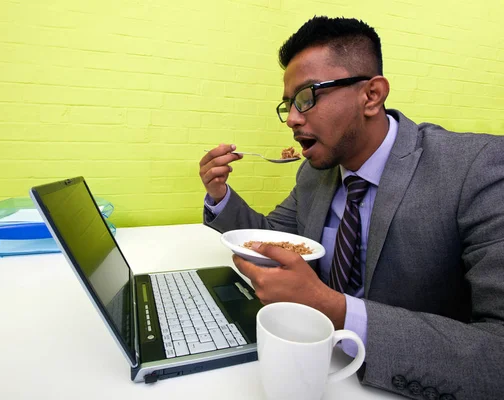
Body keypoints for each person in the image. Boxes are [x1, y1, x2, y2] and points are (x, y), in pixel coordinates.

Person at [198, 16, 504, 400]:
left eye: (307, 96)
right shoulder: (315, 175)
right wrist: (220, 196)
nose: (292, 118)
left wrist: (334, 308)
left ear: (371, 95)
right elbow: (269, 236)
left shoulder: (477, 169)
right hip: (309, 366)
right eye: (288, 104)